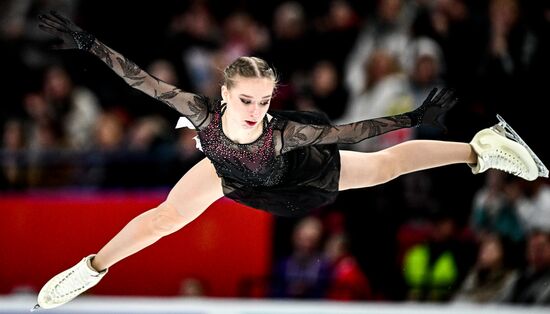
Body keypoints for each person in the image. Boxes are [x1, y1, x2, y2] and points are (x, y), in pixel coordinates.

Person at [34, 11, 545, 310]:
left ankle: (482, 147)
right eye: (247, 100)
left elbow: (353, 131)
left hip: (299, 172)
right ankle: (91, 267)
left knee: (385, 166)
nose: (257, 110)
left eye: (265, 100)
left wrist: (414, 114)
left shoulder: (284, 132)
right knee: (166, 216)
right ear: (226, 95)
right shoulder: (200, 111)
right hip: (231, 173)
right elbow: (139, 79)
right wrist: (89, 43)